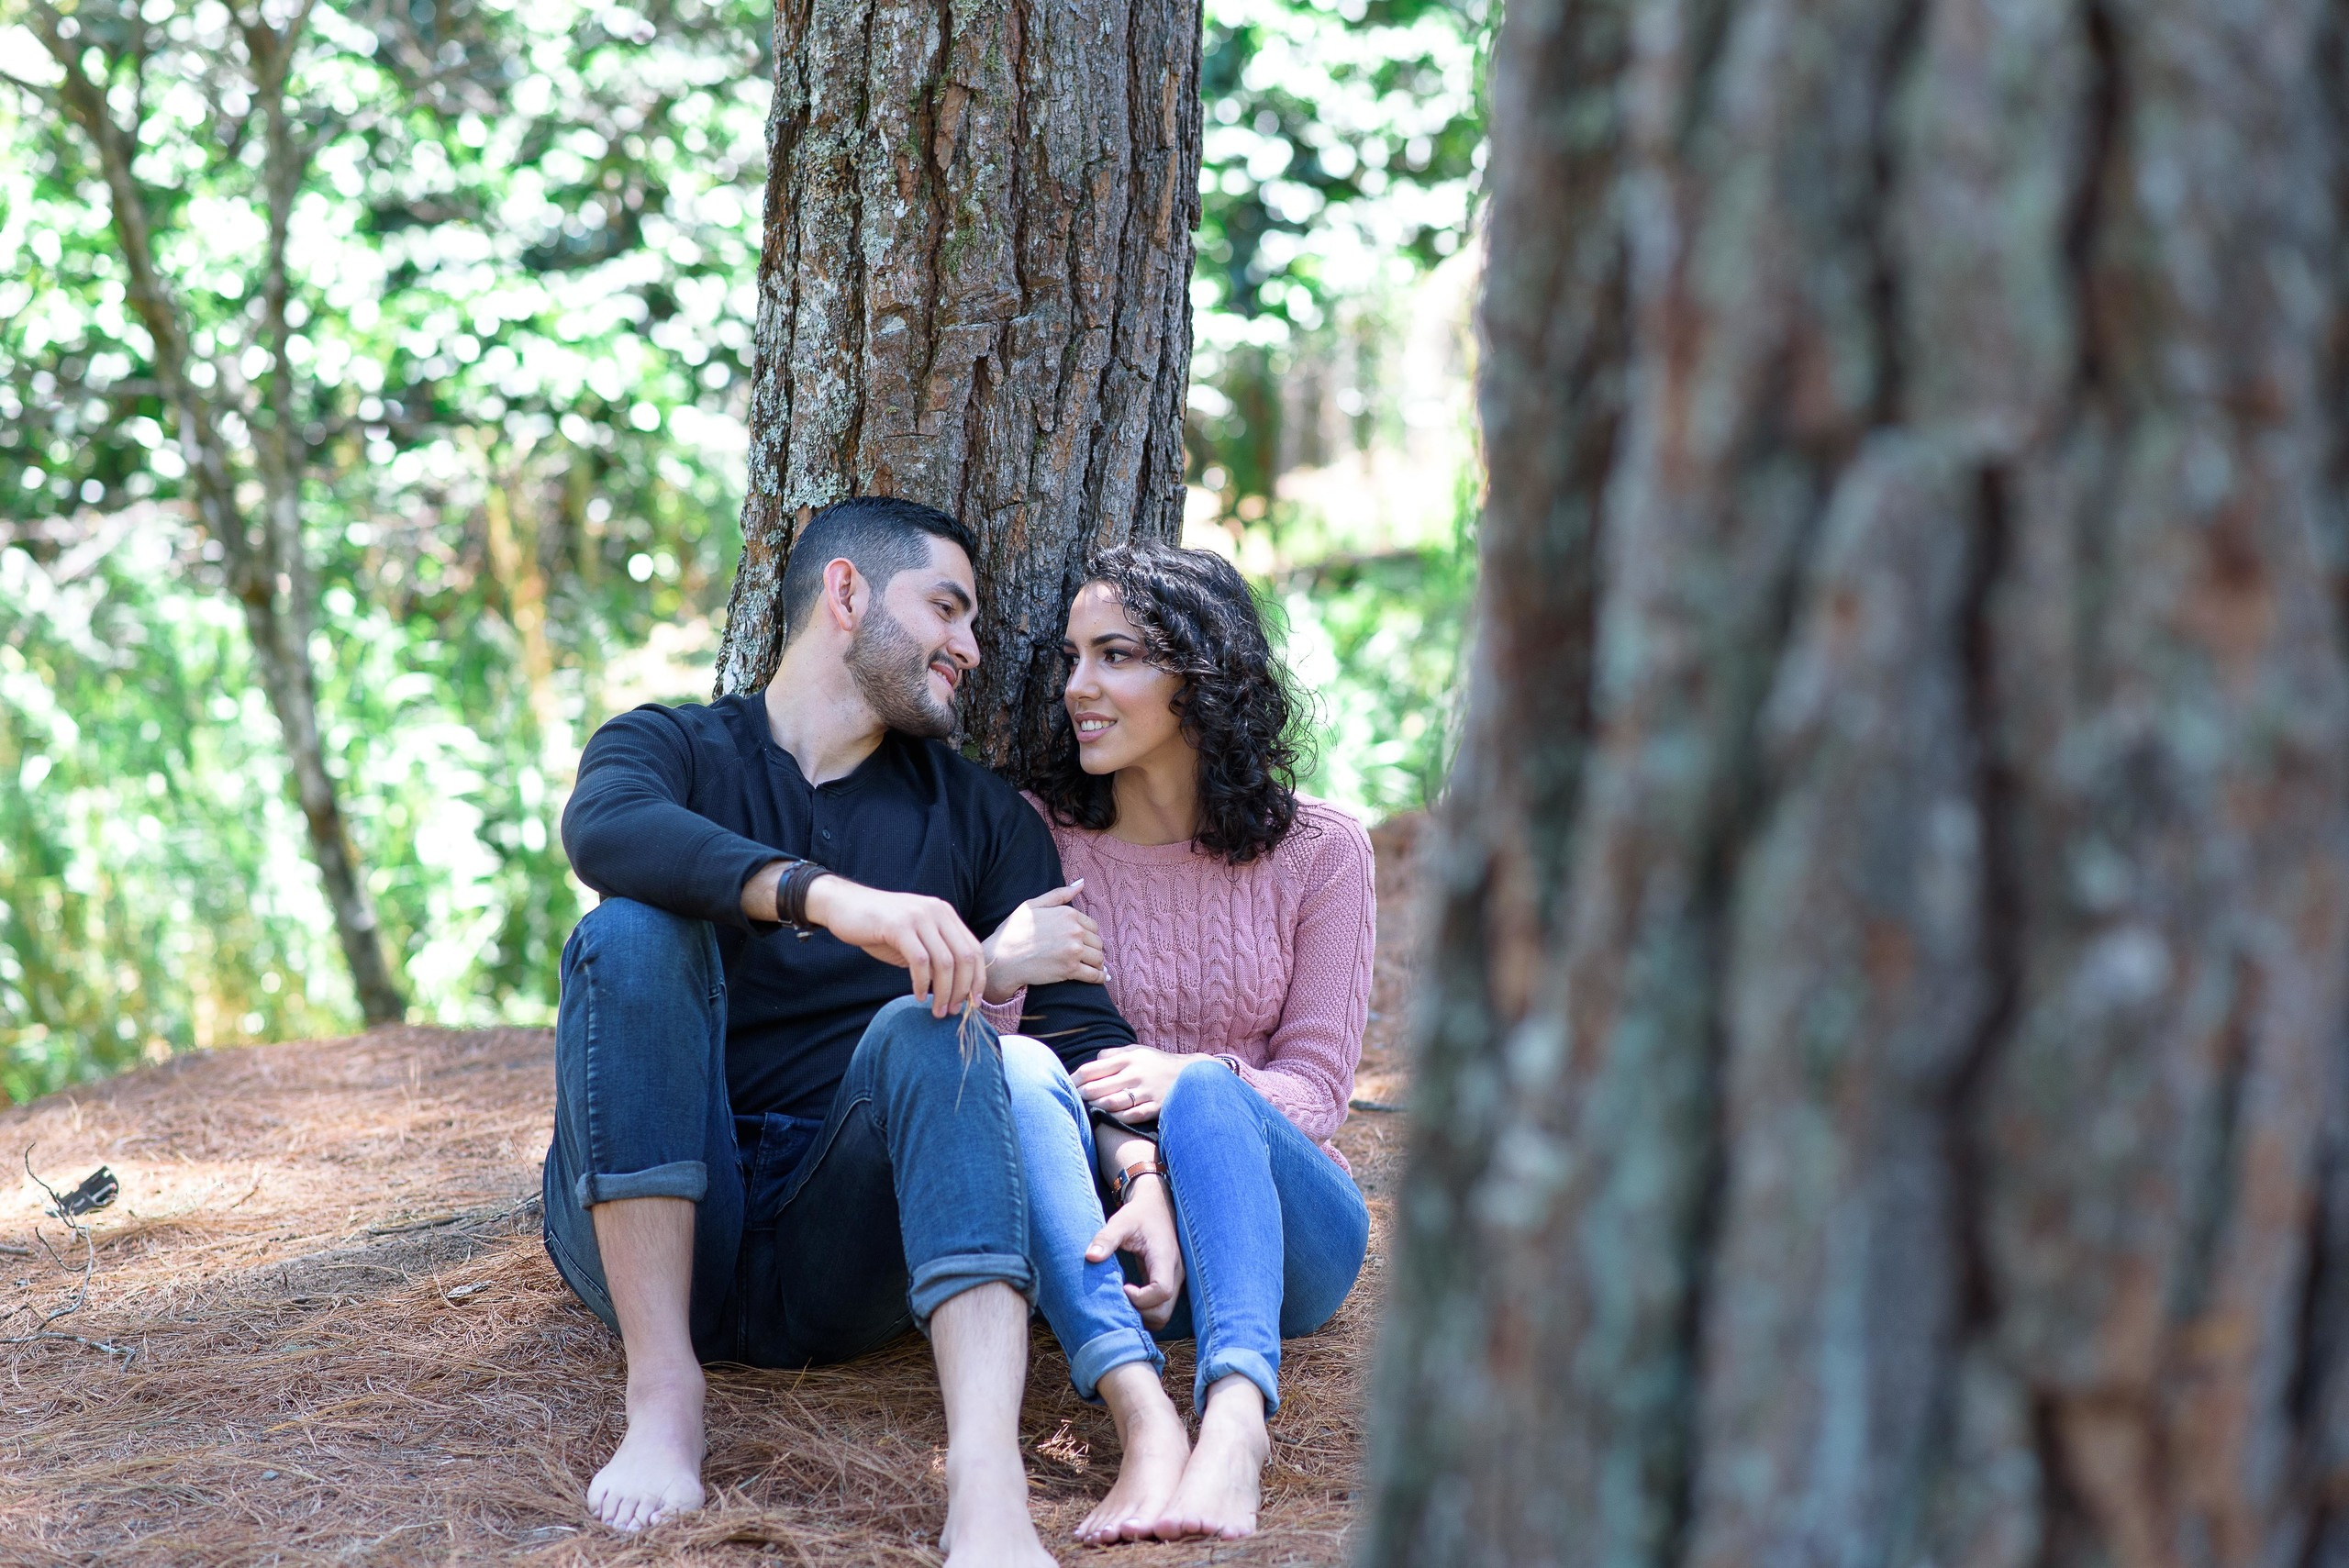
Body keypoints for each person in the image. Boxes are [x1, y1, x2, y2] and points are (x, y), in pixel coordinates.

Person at [547, 495, 1192, 1561]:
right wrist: (835, 899)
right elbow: (607, 828)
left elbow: (1075, 1036)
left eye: (974, 622)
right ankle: (664, 1397)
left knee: (933, 1022)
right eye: (947, 607)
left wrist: (1143, 1172)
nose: (971, 648)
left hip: (841, 1239)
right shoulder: (674, 747)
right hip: (650, 1211)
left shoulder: (980, 817)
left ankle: (985, 1489)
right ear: (845, 592)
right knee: (630, 934)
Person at [985, 542, 1376, 1542]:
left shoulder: (1320, 851)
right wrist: (998, 968)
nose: (1079, 686)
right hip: (1103, 1234)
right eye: (1071, 656)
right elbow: (1001, 1068)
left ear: (1201, 676)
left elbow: (1319, 1087)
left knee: (1207, 1086)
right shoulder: (1042, 837)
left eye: (1114, 655)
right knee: (1030, 1074)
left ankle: (1236, 1421)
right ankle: (1144, 1421)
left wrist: (1189, 1080)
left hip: (1288, 1235)